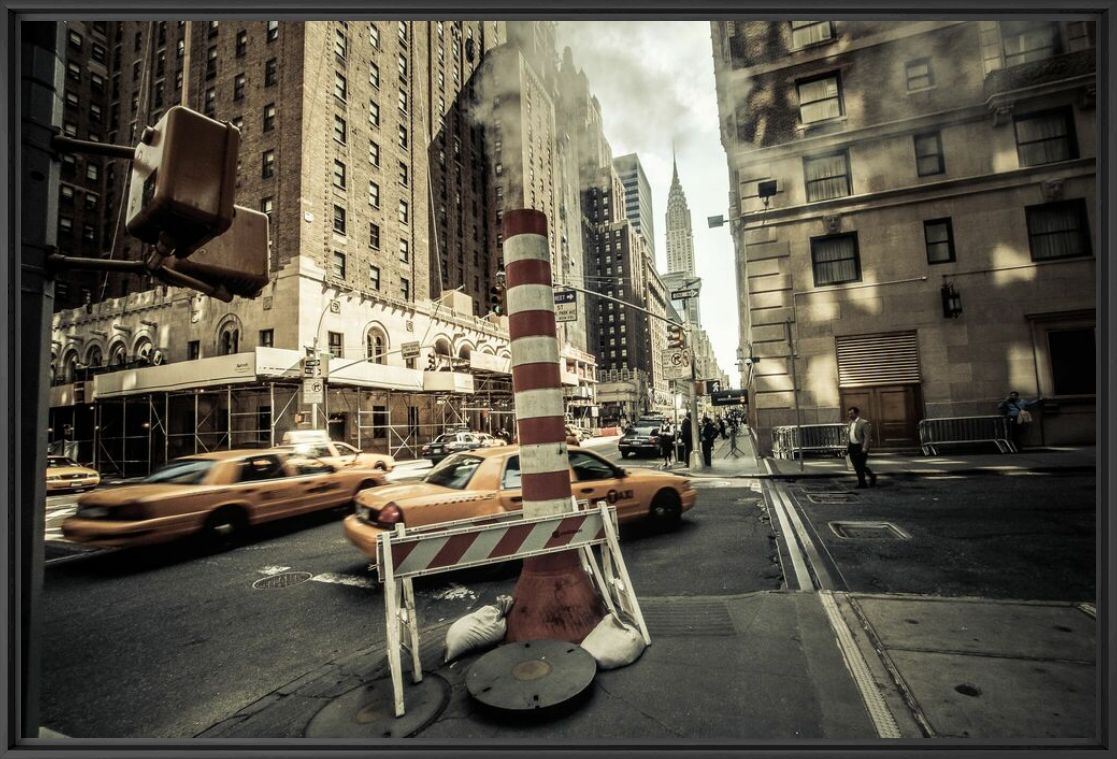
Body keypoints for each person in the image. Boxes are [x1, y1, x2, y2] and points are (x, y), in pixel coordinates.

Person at [846, 406, 876, 488]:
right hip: (852, 447)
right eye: (849, 414)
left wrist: (865, 448)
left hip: (860, 447)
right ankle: (864, 481)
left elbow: (867, 437)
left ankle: (864, 482)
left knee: (861, 465)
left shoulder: (864, 423)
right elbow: (849, 435)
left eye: (851, 413)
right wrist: (847, 447)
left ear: (857, 413)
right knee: (856, 466)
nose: (850, 415)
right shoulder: (850, 423)